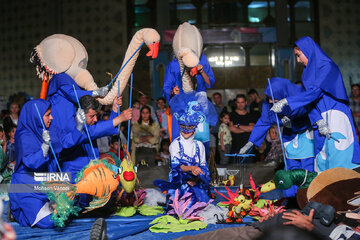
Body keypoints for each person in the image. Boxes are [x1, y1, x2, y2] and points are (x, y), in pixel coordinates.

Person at [271, 36, 360, 171]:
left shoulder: (327, 67)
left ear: (308, 51)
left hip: (336, 113)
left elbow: (315, 93)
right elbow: (310, 103)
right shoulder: (307, 73)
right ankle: (324, 189)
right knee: (322, 156)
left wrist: (287, 101)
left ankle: (346, 188)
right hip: (320, 117)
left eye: (299, 55)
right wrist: (317, 120)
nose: (298, 60)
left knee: (341, 154)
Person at [8, 99, 83, 228]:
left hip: (47, 182)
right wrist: (44, 147)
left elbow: (66, 141)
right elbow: (30, 162)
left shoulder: (51, 129)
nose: (52, 117)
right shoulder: (23, 134)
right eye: (48, 114)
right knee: (50, 221)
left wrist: (79, 126)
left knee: (73, 201)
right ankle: (20, 213)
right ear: (37, 116)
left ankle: (36, 209)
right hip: (27, 185)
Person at [240, 77, 315, 197]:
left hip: (306, 136)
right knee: (290, 167)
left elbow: (307, 112)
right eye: (268, 97)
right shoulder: (267, 103)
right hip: (289, 137)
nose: (270, 101)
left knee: (307, 167)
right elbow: (264, 121)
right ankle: (291, 197)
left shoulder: (299, 96)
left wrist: (290, 117)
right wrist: (250, 142)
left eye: (273, 98)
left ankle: (308, 196)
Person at [154, 93, 212, 211]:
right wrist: (191, 169)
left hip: (196, 183)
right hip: (178, 184)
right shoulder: (175, 145)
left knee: (202, 207)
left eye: (189, 126)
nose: (186, 130)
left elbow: (203, 167)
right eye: (183, 126)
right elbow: (176, 167)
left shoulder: (199, 145)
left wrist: (196, 179)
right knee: (182, 208)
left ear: (195, 127)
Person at [60, 95, 132, 184]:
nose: (95, 119)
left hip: (91, 174)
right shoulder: (71, 126)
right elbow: (91, 132)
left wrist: (115, 109)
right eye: (92, 116)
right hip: (74, 177)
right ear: (80, 113)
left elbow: (104, 128)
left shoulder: (91, 124)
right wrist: (120, 118)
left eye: (96, 115)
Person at [229, 94, 256, 162]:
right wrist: (246, 129)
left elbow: (252, 128)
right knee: (235, 170)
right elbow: (231, 129)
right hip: (235, 146)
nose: (240, 104)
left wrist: (238, 126)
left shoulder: (251, 115)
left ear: (246, 102)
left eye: (242, 102)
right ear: (236, 103)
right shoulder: (231, 115)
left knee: (249, 170)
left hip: (248, 146)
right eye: (238, 102)